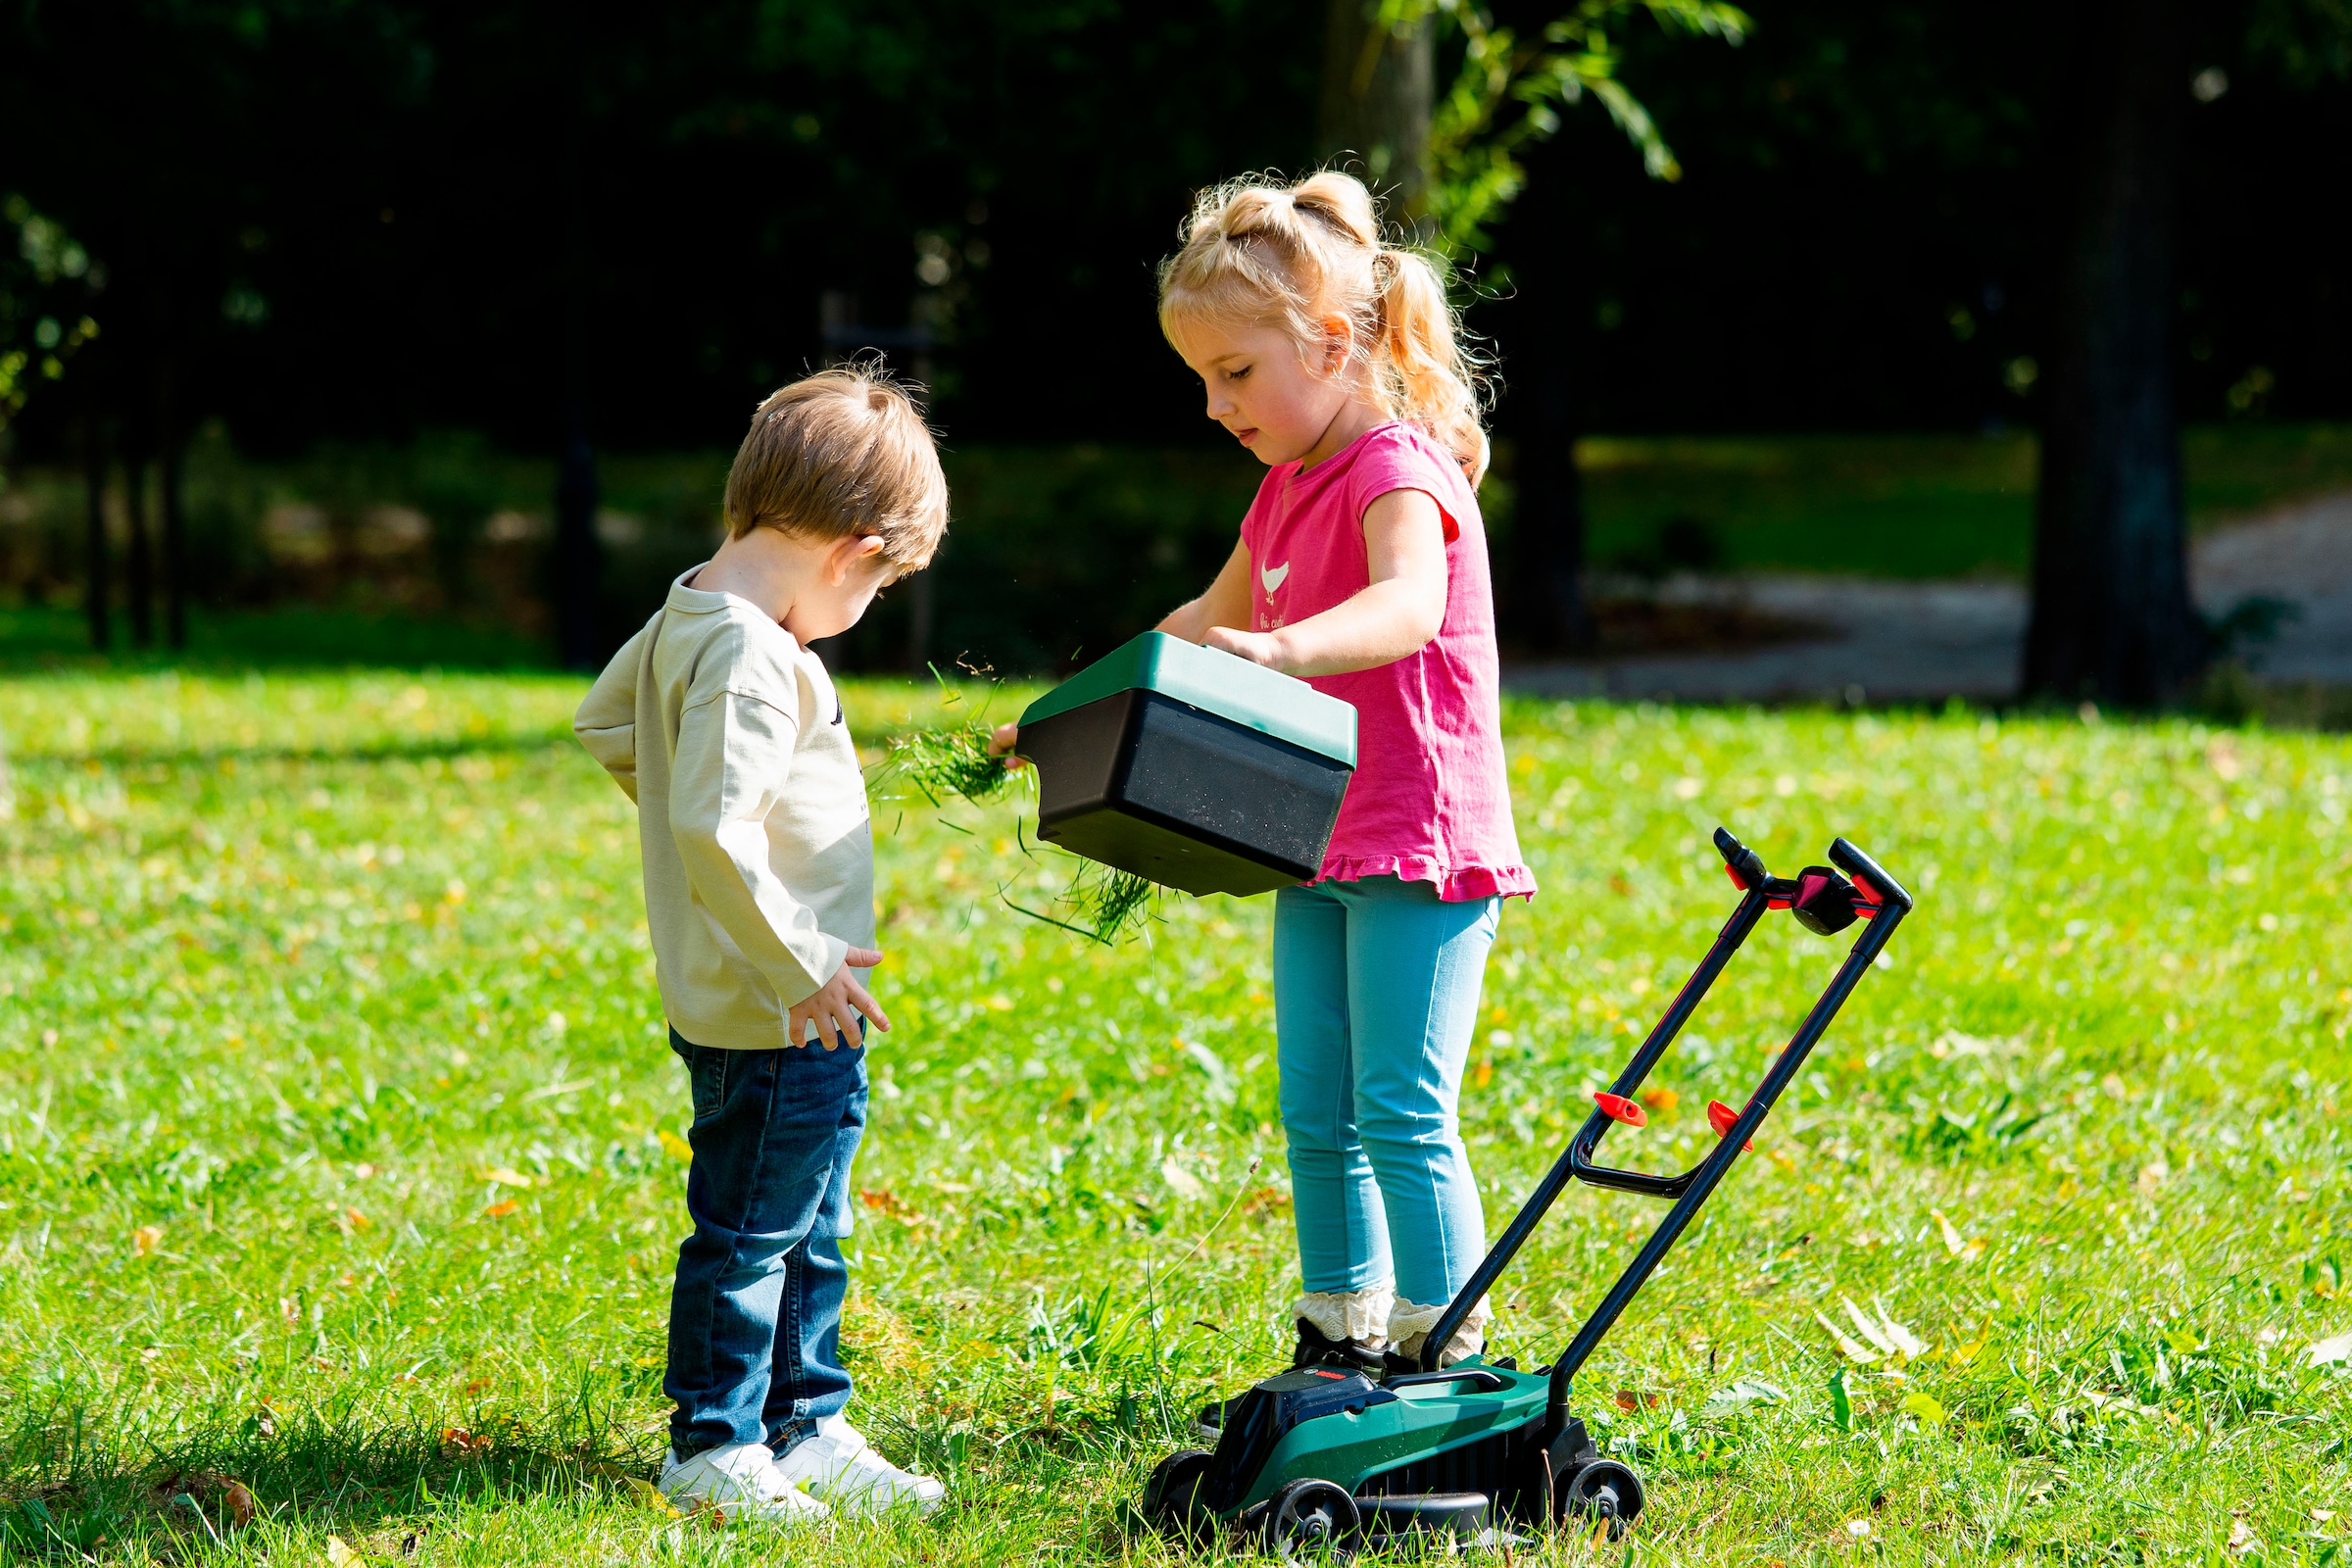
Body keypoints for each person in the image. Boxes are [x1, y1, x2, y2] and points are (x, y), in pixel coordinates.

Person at [994, 172, 1531, 1372]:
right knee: (1317, 1111)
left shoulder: (1397, 468)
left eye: (1235, 373)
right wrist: (1064, 714)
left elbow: (1407, 604)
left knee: (1400, 1106)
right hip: (1318, 832)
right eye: (1200, 378)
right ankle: (1340, 1329)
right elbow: (1203, 618)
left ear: (1333, 345)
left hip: (1419, 841)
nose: (1212, 404)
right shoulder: (1284, 489)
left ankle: (1445, 1349)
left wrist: (1286, 649)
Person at [575, 366, 949, 1524]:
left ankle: (806, 1421)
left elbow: (604, 718)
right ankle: (716, 1439)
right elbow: (711, 826)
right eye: (881, 584)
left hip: (770, 999)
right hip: (783, 1002)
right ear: (854, 547)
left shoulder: (691, 607)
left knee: (806, 1221)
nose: (866, 607)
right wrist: (803, 962)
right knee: (752, 1233)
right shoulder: (749, 652)